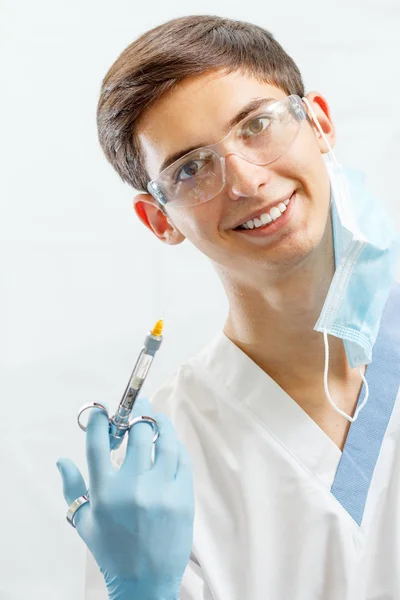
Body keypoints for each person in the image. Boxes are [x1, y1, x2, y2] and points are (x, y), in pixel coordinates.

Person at [57, 14, 400, 600]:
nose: (245, 180)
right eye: (191, 168)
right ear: (160, 220)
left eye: (258, 125)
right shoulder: (165, 469)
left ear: (319, 122)